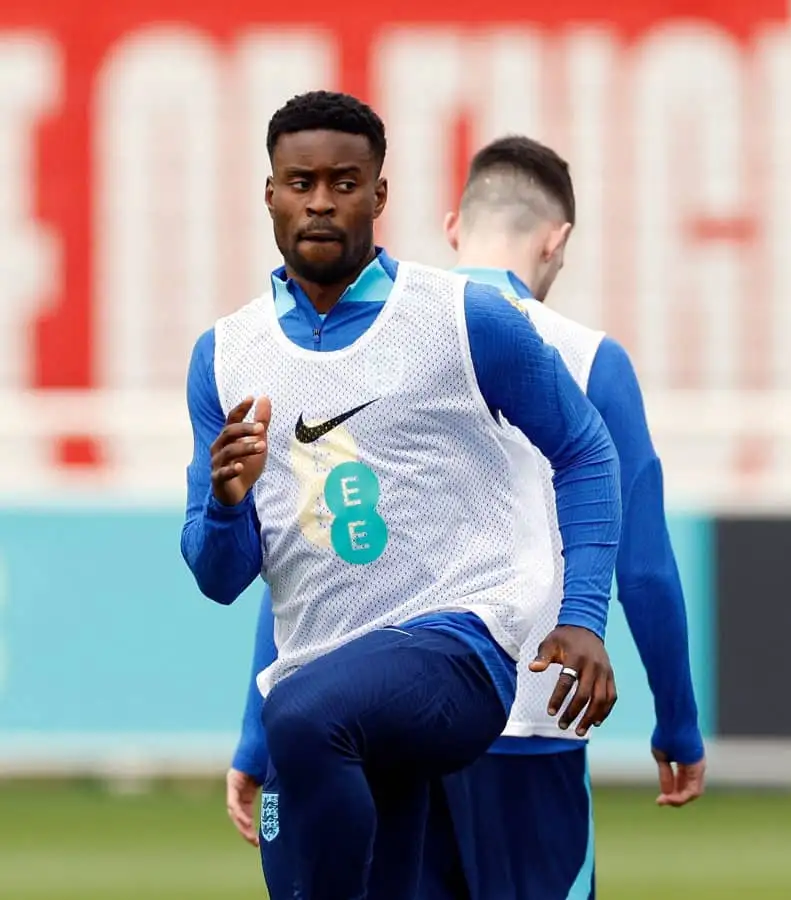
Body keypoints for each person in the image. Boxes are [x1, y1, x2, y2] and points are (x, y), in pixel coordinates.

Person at [225, 135, 706, 899]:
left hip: (390, 718)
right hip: (532, 713)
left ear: (453, 227)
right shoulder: (586, 358)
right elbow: (643, 567)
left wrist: (259, 732)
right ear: (558, 241)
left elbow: (313, 550)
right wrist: (677, 723)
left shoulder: (388, 344)